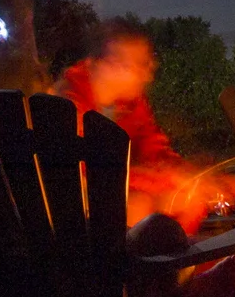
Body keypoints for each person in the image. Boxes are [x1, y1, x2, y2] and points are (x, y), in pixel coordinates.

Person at [57, 21, 199, 223]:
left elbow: (153, 147)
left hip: (116, 195)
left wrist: (189, 176)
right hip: (69, 213)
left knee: (188, 200)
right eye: (140, 65)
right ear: (110, 64)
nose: (148, 75)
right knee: (140, 205)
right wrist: (163, 180)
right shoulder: (66, 105)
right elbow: (92, 174)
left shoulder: (131, 102)